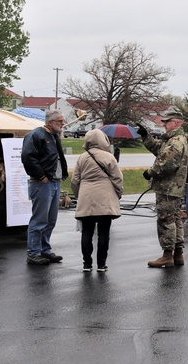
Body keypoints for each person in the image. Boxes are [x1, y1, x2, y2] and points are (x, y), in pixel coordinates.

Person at [137, 106, 188, 267]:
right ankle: (178, 253)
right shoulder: (174, 140)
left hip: (168, 187)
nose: (164, 124)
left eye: (167, 122)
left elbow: (166, 164)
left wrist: (150, 172)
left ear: (176, 123)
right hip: (173, 188)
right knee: (175, 219)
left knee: (165, 220)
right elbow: (159, 150)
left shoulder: (176, 142)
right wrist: (146, 136)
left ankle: (167, 254)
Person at [21, 109, 69, 266]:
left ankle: (44, 250)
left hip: (54, 182)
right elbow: (27, 157)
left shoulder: (54, 136)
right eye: (60, 121)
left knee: (50, 220)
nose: (63, 124)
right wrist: (41, 176)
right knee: (39, 220)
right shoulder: (36, 135)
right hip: (42, 183)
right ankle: (33, 253)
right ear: (50, 122)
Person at [71, 129, 123, 273]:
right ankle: (101, 264)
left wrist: (79, 195)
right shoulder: (109, 157)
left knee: (86, 232)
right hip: (105, 197)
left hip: (86, 197)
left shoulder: (82, 158)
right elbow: (117, 178)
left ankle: (87, 264)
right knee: (103, 232)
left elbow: (75, 180)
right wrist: (118, 193)